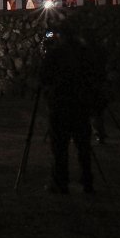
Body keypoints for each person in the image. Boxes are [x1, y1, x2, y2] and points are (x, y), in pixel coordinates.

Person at [38, 21, 105, 194]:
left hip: (60, 104)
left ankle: (60, 181)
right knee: (83, 146)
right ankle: (87, 180)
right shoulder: (85, 53)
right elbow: (95, 76)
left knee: (60, 147)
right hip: (81, 104)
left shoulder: (56, 54)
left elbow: (43, 77)